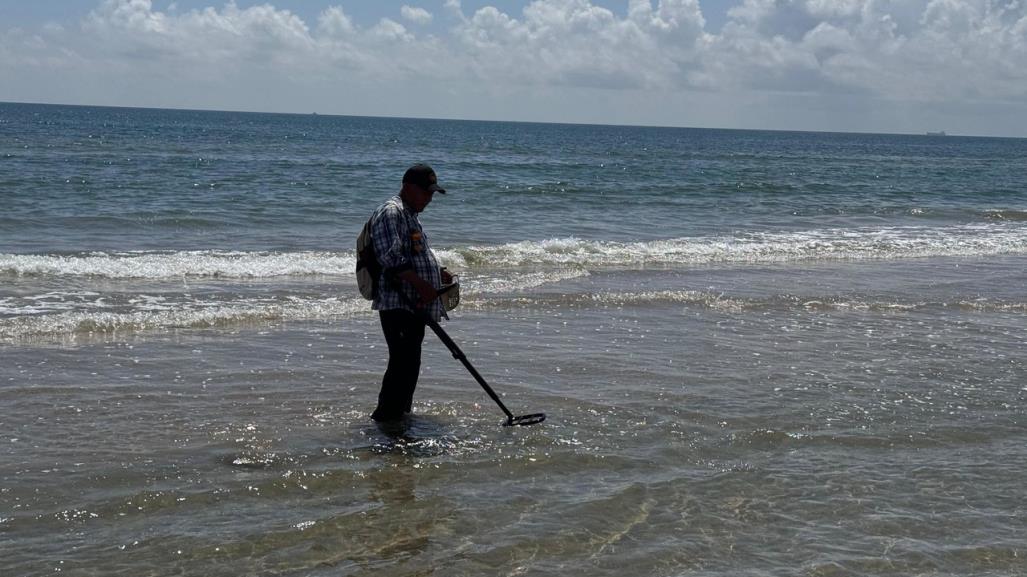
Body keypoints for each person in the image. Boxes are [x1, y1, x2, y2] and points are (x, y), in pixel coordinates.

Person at [367, 164, 453, 422]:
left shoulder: (410, 214)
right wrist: (422, 285)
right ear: (408, 188)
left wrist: (438, 273)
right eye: (426, 193)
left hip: (414, 305)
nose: (429, 199)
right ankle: (386, 420)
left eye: (432, 194)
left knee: (409, 363)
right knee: (402, 364)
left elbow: (413, 254)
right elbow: (391, 257)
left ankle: (400, 419)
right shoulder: (391, 212)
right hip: (399, 304)